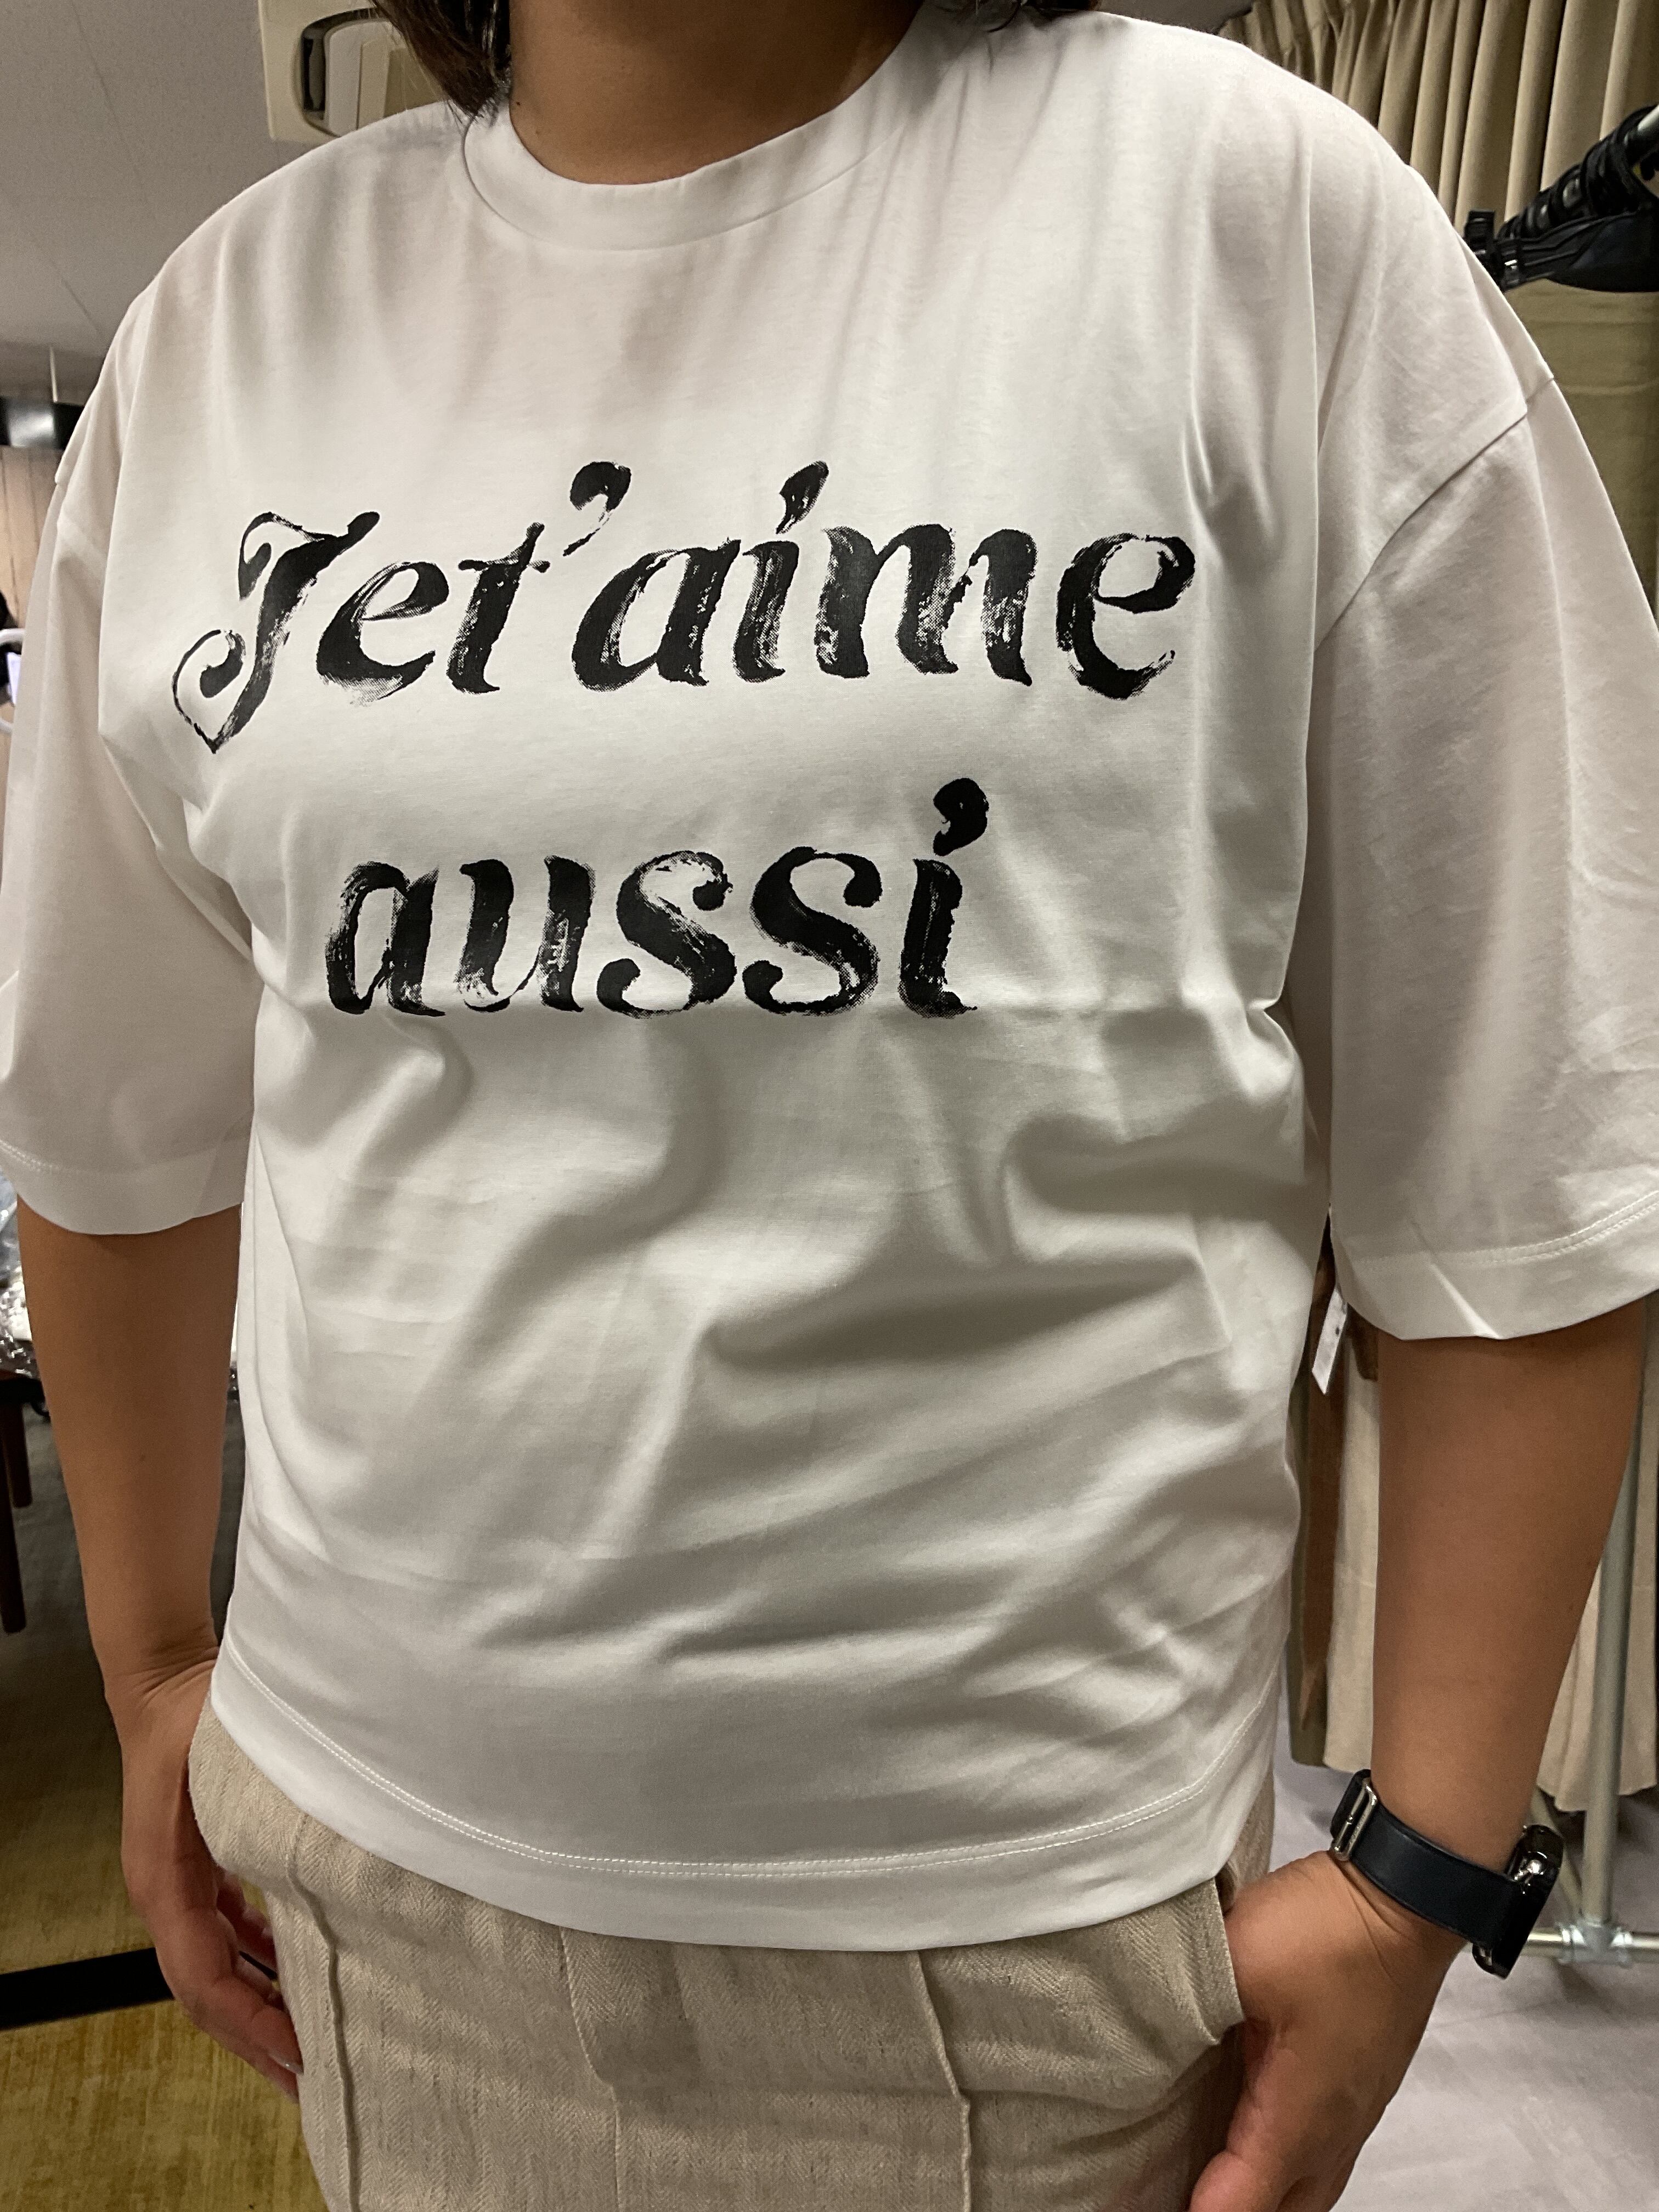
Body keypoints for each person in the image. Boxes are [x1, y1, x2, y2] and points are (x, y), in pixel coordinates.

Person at [1, 3, 1654, 2207]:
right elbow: (114, 1112)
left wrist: (1424, 1868)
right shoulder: (236, 320)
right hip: (367, 1871)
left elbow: (1536, 1133)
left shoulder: (1245, 216)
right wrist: (153, 1666)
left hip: (1007, 1931)